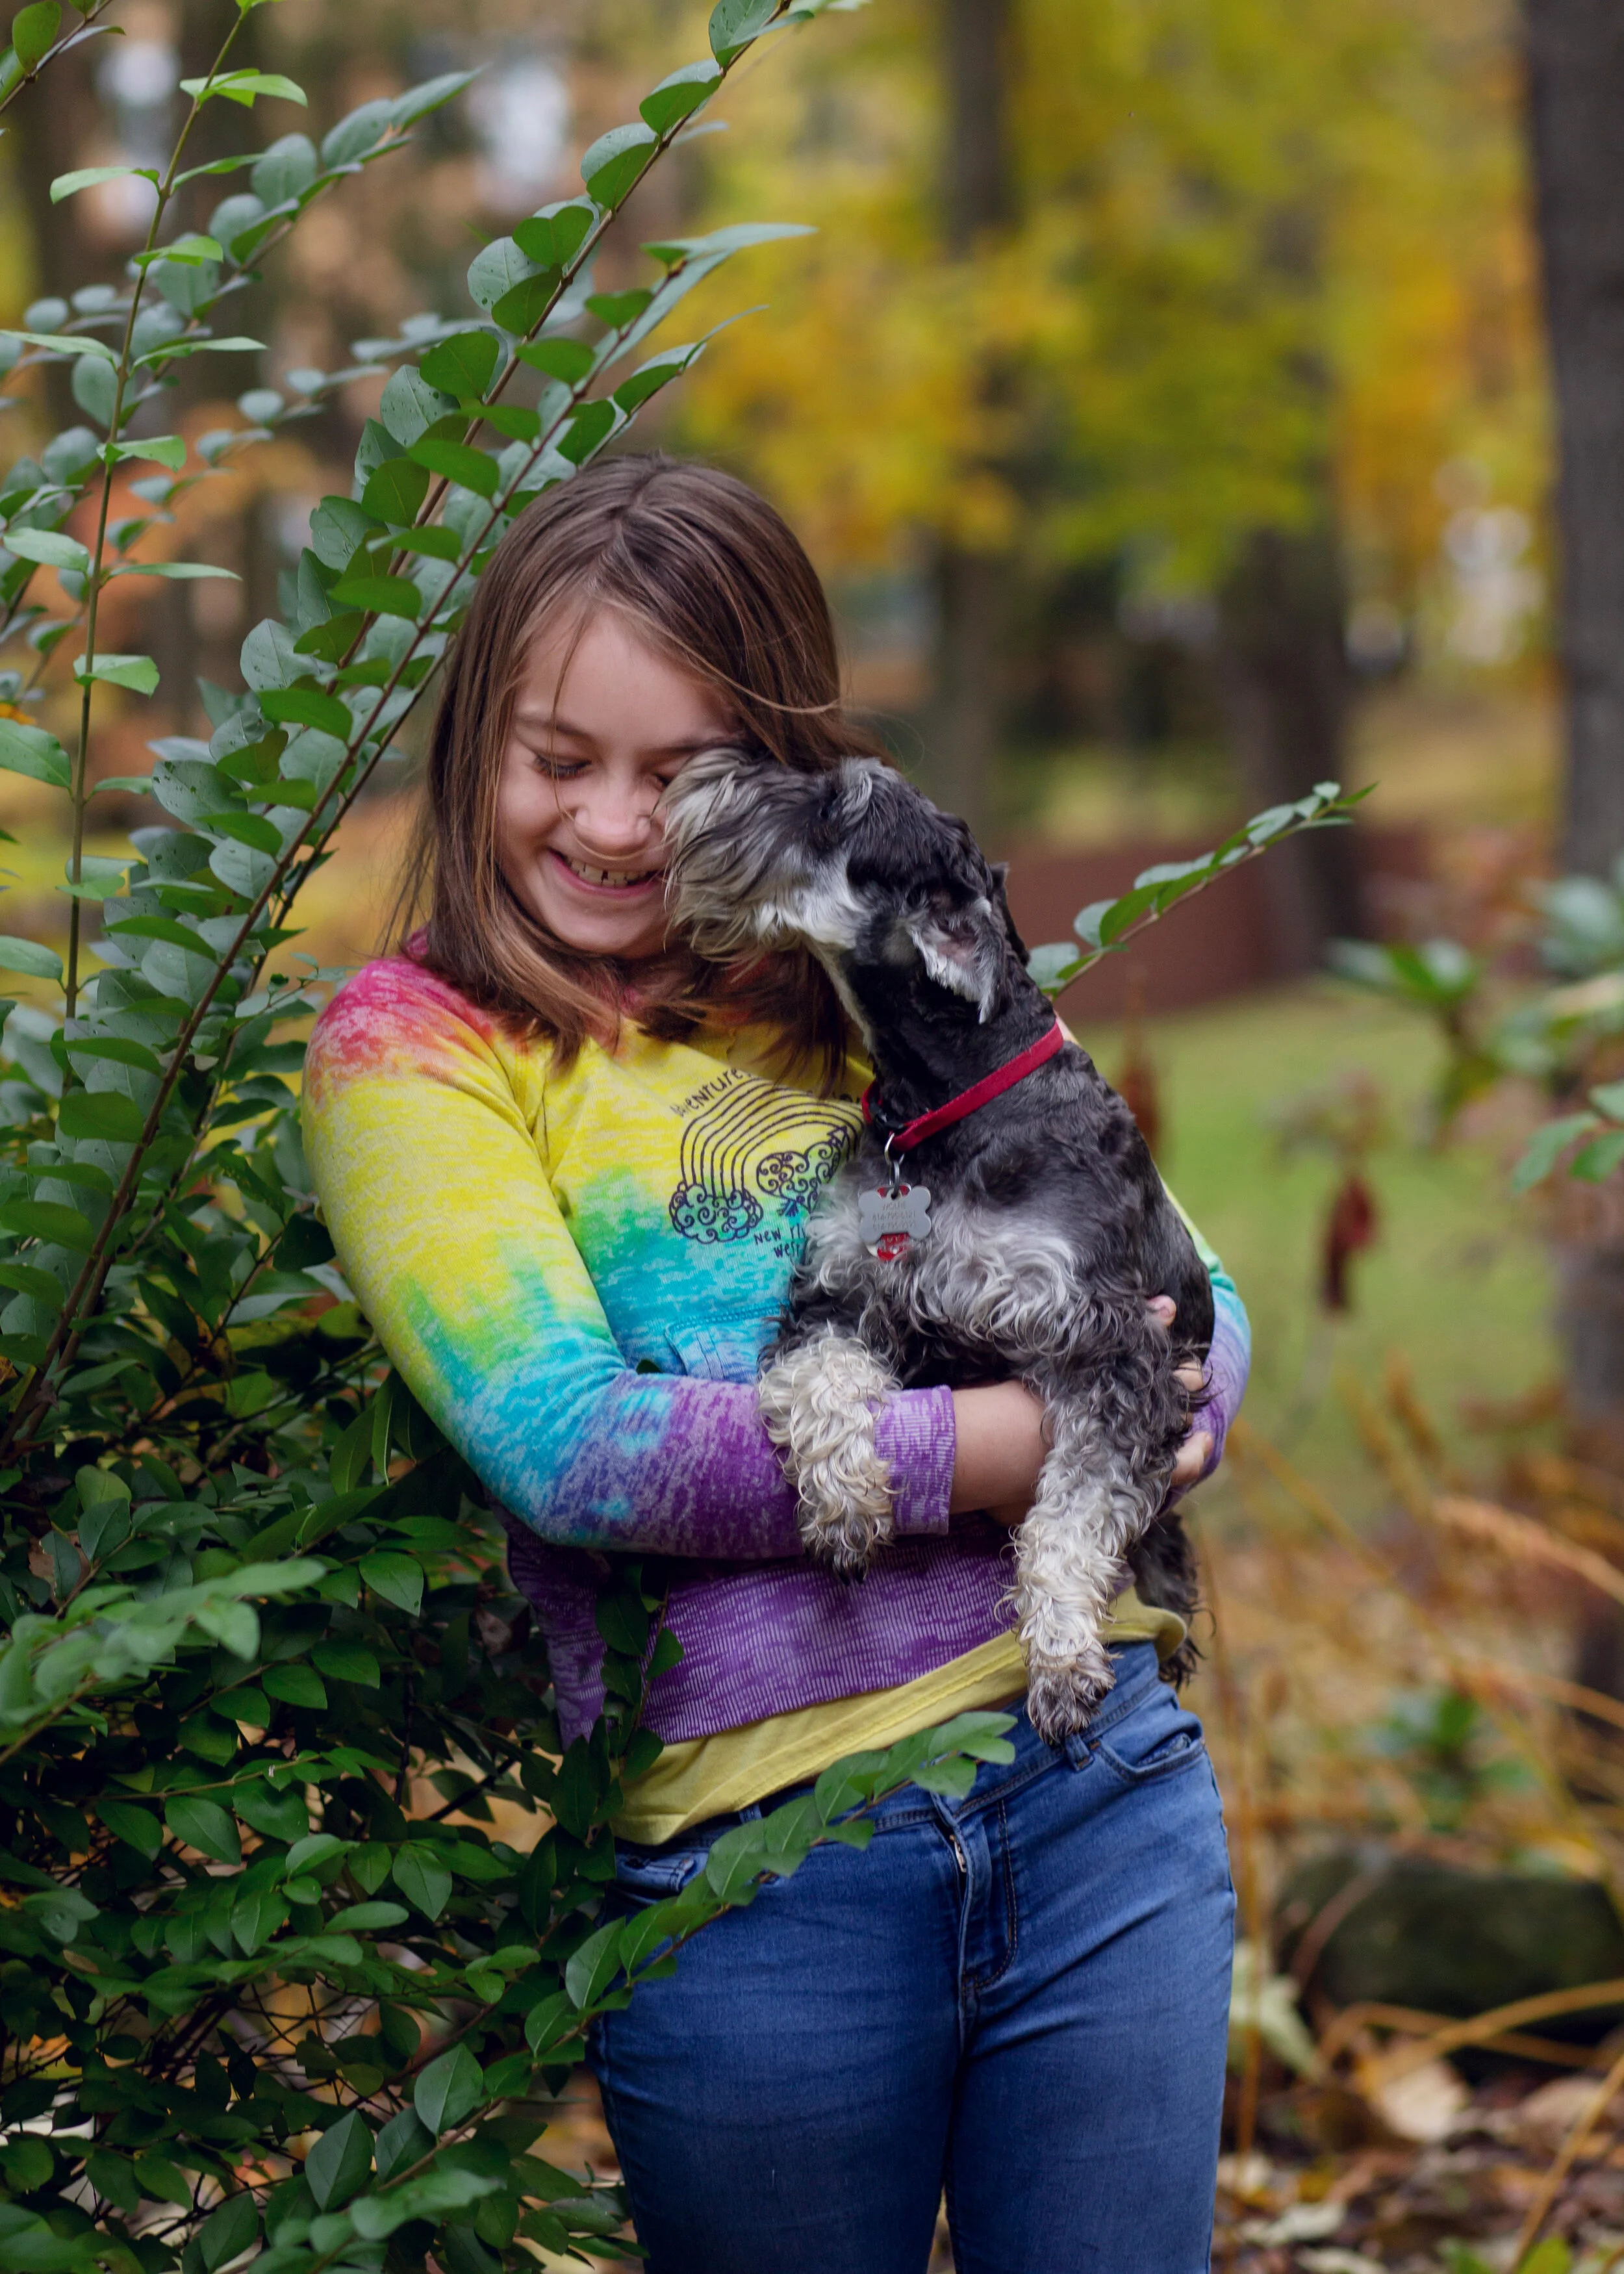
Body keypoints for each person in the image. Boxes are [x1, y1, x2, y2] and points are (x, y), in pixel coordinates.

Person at [303, 454, 1249, 2274]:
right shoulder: (414, 1050)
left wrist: (1177, 1399)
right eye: (553, 755)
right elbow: (585, 1450)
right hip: (758, 1884)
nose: (609, 822)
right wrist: (1044, 1435)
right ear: (471, 745)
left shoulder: (860, 978)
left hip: (1099, 1799)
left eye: (678, 771)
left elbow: (1189, 1294)